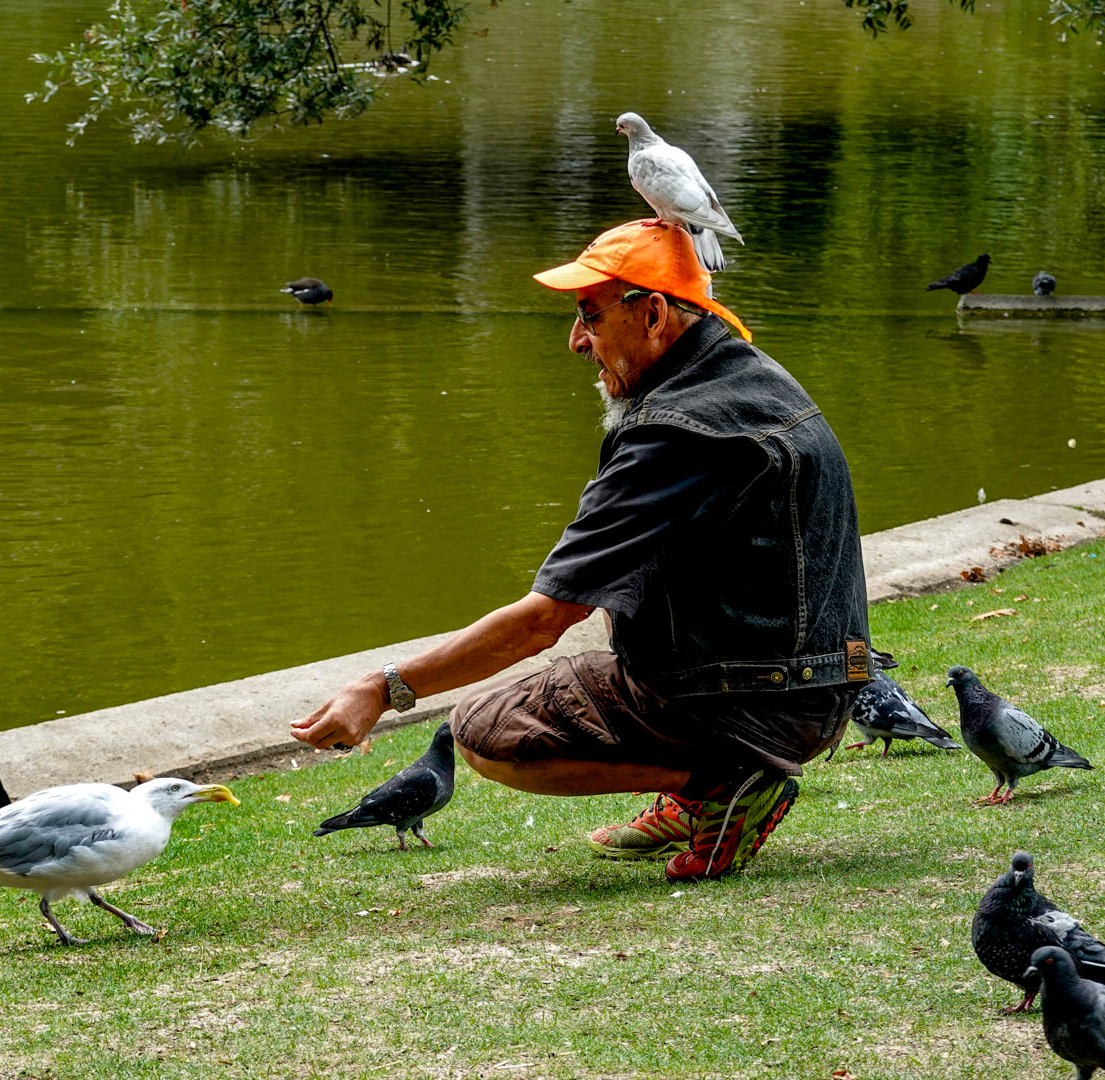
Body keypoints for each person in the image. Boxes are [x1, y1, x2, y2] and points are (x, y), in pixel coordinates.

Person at [292, 220, 871, 881]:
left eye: (590, 317)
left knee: (485, 731)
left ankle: (723, 783)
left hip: (762, 701)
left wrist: (382, 688)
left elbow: (543, 621)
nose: (575, 341)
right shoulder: (743, 373)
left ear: (653, 315)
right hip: (818, 683)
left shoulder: (676, 432)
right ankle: (704, 787)